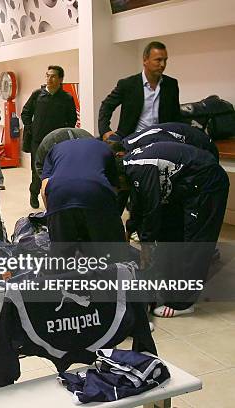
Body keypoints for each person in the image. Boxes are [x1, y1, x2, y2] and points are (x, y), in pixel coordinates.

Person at [124, 142, 228, 317]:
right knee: (170, 234)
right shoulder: (130, 166)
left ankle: (183, 303)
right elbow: (138, 207)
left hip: (206, 181)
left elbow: (151, 210)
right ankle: (170, 287)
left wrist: (146, 245)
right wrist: (133, 231)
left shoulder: (138, 168)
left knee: (195, 241)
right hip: (185, 184)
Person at [41, 138, 125, 260]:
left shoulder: (54, 149)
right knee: (110, 253)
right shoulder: (105, 149)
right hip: (95, 191)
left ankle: (64, 276)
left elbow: (44, 190)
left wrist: (53, 215)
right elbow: (114, 188)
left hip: (60, 194)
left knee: (62, 257)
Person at [98, 41, 181, 141]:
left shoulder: (171, 84)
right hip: (132, 139)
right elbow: (106, 106)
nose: (163, 65)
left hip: (162, 140)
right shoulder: (128, 84)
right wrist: (105, 130)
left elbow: (176, 116)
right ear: (145, 60)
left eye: (165, 60)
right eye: (158, 60)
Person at [21, 66, 77, 209]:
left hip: (57, 141)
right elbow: (25, 113)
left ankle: (54, 196)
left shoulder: (66, 98)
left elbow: (71, 120)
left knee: (57, 170)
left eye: (53, 76)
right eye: (47, 75)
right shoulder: (37, 95)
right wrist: (30, 128)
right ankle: (34, 192)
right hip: (38, 141)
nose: (49, 79)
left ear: (60, 79)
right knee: (37, 170)